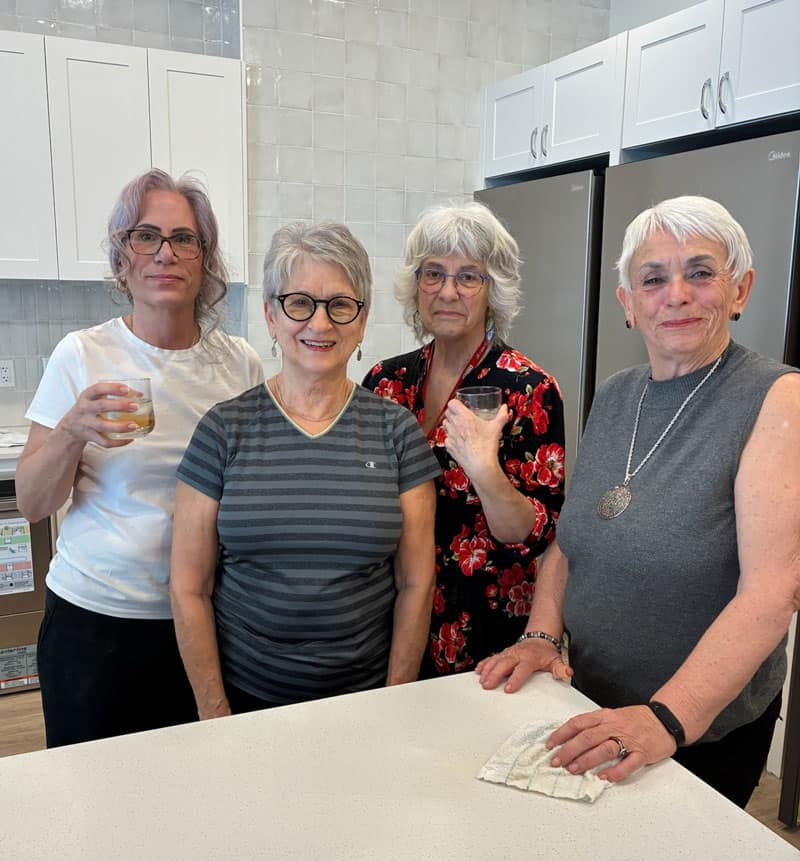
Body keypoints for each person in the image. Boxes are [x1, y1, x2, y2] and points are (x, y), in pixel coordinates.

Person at [477, 195, 800, 808]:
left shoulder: (778, 399)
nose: (675, 294)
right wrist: (542, 635)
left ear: (741, 290)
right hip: (592, 702)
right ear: (628, 303)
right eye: (652, 278)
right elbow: (570, 543)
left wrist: (666, 720)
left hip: (694, 730)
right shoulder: (617, 395)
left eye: (701, 272)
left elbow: (774, 591)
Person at [15, 169, 264, 747]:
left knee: (194, 800)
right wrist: (70, 432)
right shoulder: (82, 353)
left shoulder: (239, 363)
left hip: (206, 623)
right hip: (98, 622)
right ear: (122, 257)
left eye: (185, 239)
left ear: (205, 260)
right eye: (146, 236)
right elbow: (32, 503)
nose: (165, 254)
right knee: (96, 801)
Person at [170, 222, 439, 717]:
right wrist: (214, 713)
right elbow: (189, 587)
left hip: (365, 702)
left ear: (361, 322)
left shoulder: (397, 433)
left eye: (340, 305)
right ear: (271, 316)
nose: (320, 324)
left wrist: (395, 700)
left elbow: (416, 584)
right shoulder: (223, 431)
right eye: (299, 303)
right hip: (247, 703)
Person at [363, 202, 565, 677]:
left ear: (493, 290)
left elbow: (534, 535)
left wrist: (483, 469)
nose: (448, 291)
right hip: (389, 621)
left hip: (488, 633)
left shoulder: (528, 389)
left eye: (468, 277)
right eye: (433, 274)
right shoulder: (385, 382)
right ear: (416, 287)